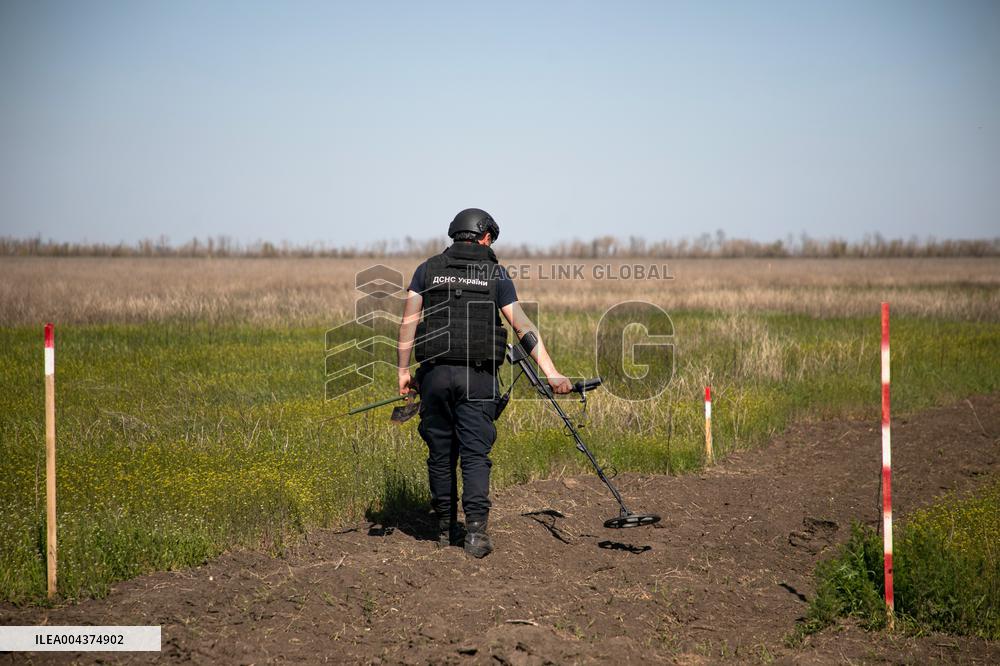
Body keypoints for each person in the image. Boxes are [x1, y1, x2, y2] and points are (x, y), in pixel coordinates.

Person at [396, 208, 572, 558]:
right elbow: (522, 327)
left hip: (433, 375)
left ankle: (444, 530)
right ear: (485, 237)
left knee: (441, 453)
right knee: (475, 455)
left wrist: (403, 371)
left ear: (455, 235)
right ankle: (475, 534)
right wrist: (551, 373)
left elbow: (408, 323)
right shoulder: (496, 274)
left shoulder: (426, 270)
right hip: (477, 378)